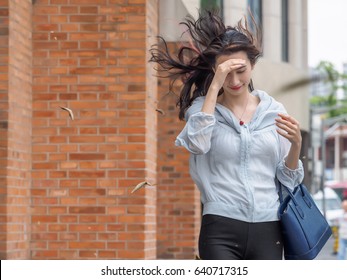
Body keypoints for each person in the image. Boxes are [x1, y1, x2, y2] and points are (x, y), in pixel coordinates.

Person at [149, 10, 304, 260]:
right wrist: (215, 84)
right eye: (225, 72)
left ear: (253, 65)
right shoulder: (203, 110)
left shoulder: (273, 112)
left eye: (240, 70)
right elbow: (197, 144)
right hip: (220, 227)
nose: (234, 80)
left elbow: (289, 180)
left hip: (268, 228)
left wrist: (296, 144)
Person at [337, 195, 347, 260]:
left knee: (341, 253)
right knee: (341, 253)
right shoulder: (341, 214)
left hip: (343, 236)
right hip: (343, 236)